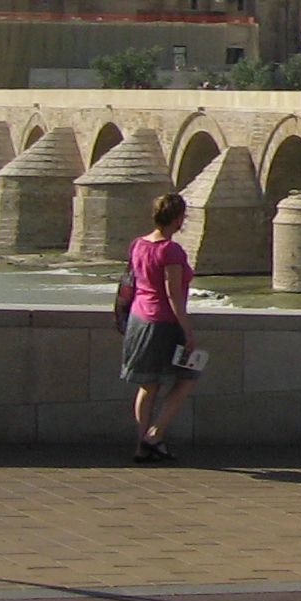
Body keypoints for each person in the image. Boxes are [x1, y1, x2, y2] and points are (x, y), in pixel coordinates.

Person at [121, 192, 200, 463]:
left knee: (148, 385)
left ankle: (141, 446)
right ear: (178, 219)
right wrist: (187, 331)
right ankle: (154, 435)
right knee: (188, 377)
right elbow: (173, 294)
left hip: (138, 319)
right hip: (163, 322)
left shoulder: (138, 244)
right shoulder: (171, 250)